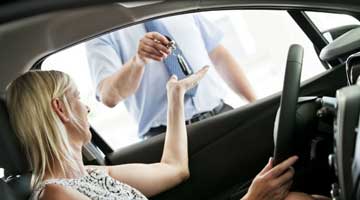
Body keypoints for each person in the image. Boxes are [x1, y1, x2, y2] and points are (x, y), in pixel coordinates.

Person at [5, 69, 328, 200]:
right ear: (60, 108)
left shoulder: (92, 174)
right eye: (78, 97)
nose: (87, 107)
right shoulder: (56, 195)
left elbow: (175, 169)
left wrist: (175, 97)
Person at [86, 13, 257, 139]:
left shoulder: (178, 5)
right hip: (167, 139)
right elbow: (109, 96)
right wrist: (138, 61)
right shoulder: (100, 28)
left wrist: (254, 103)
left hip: (223, 114)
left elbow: (218, 55)